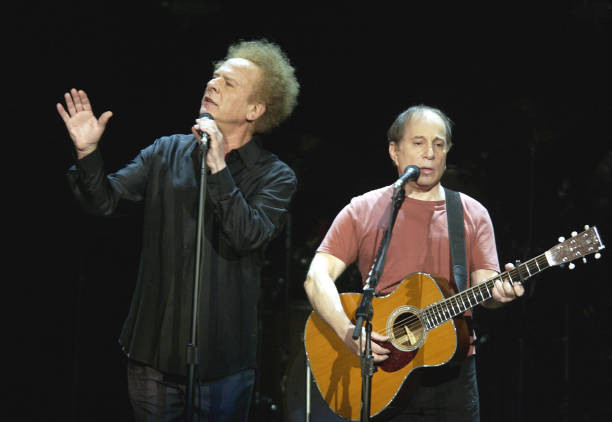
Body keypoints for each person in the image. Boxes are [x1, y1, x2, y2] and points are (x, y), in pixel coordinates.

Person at [58, 39, 300, 422]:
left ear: (254, 110)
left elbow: (247, 235)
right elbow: (104, 201)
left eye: (229, 83)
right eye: (214, 77)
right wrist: (88, 154)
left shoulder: (274, 176)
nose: (213, 85)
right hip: (152, 355)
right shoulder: (166, 152)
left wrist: (218, 168)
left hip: (223, 365)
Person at [303, 105, 525, 421]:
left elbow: (486, 290)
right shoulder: (363, 209)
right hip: (381, 374)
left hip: (452, 377)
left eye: (439, 144)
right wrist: (346, 331)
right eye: (418, 142)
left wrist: (499, 295)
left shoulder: (472, 213)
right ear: (394, 152)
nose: (430, 153)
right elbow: (316, 277)